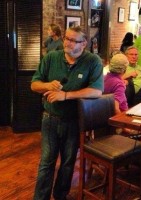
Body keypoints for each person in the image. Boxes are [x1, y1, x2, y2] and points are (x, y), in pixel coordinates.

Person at [31, 26, 103, 200]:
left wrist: (66, 95)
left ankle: (60, 195)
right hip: (50, 118)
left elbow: (97, 91)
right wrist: (47, 85)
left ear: (84, 43)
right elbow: (34, 85)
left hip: (74, 120)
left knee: (68, 162)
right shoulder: (51, 58)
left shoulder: (93, 61)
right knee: (47, 163)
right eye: (66, 38)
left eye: (73, 40)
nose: (68, 43)